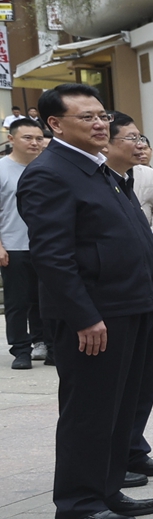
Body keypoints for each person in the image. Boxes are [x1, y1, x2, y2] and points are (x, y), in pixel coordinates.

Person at [19, 84, 153, 519]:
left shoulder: (97, 168)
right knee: (90, 409)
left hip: (131, 304)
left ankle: (106, 488)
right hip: (96, 314)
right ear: (55, 124)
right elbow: (52, 256)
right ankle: (78, 504)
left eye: (102, 115)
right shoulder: (50, 173)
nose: (100, 124)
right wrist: (83, 315)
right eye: (86, 117)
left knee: (121, 406)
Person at [3, 118, 48, 370]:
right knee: (18, 302)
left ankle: (48, 344)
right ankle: (21, 350)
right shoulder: (2, 169)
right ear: (11, 139)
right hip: (14, 246)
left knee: (48, 300)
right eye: (27, 138)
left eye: (39, 138)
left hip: (47, 246)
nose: (34, 143)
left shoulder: (47, 167)